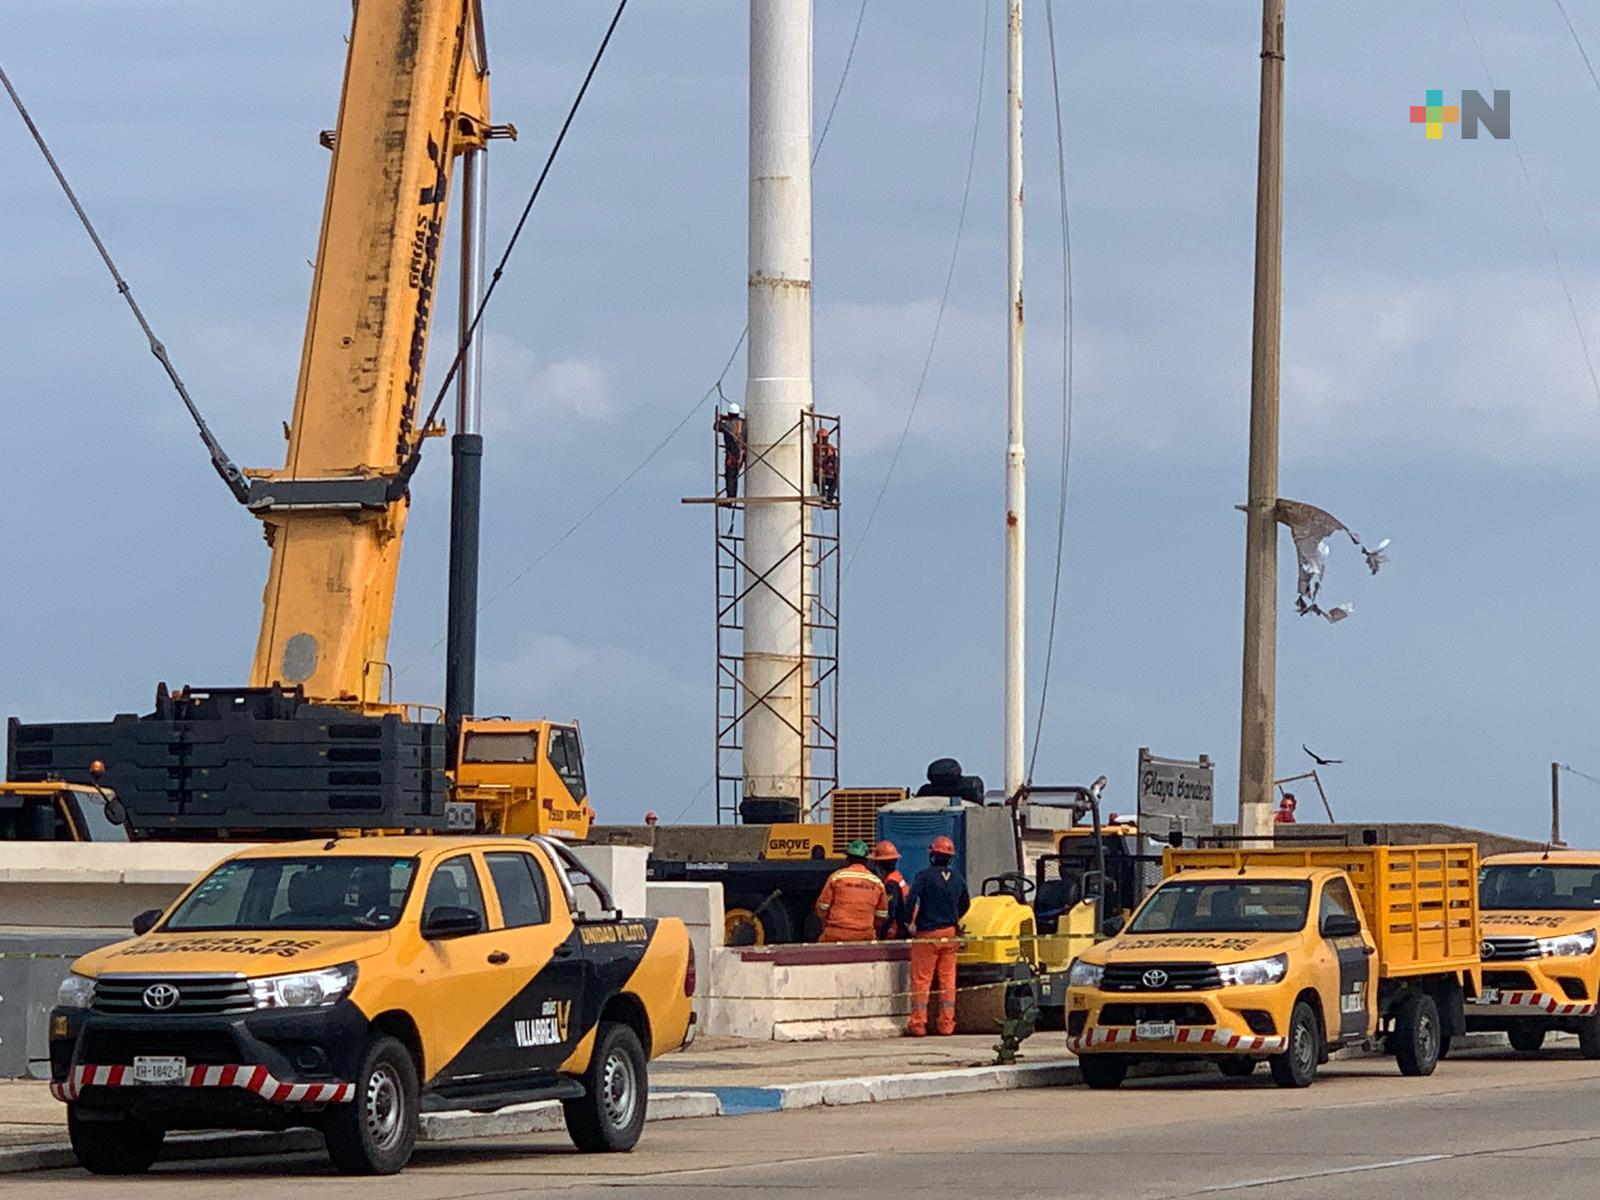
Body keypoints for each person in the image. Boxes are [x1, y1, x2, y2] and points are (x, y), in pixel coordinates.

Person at [906, 835, 970, 1036]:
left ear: (932, 855)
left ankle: (918, 1024)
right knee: (948, 981)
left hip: (927, 934)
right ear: (950, 858)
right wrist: (953, 917)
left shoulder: (923, 876)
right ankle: (946, 1024)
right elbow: (965, 904)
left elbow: (911, 901)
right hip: (950, 934)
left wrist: (909, 922)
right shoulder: (958, 878)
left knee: (922, 980)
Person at [814, 839, 889, 943]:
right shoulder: (877, 883)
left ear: (848, 859)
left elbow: (822, 907)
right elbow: (882, 915)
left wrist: (826, 924)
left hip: (836, 933)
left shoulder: (836, 877)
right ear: (867, 860)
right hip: (865, 935)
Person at [872, 840, 911, 939]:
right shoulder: (898, 878)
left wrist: (881, 933)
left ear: (879, 865)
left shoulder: (891, 884)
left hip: (895, 929)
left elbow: (890, 911)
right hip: (904, 926)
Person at [715, 402, 746, 501]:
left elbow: (716, 426)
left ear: (729, 414)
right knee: (735, 476)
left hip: (731, 455)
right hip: (741, 454)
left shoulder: (727, 425)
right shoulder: (743, 424)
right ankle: (732, 497)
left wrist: (721, 418)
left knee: (730, 476)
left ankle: (731, 498)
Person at [813, 424, 839, 504]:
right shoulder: (815, 448)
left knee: (834, 481)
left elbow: (834, 460)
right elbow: (816, 461)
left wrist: (834, 470)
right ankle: (823, 497)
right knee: (822, 479)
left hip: (826, 473)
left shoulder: (829, 447)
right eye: (822, 438)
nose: (824, 440)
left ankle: (829, 498)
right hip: (817, 474)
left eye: (825, 438)